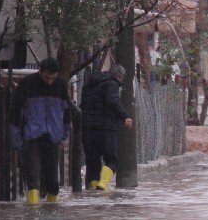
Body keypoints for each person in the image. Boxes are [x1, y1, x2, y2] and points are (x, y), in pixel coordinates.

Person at [10, 58, 72, 205]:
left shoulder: (61, 85)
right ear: (40, 72)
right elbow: (15, 113)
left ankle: (51, 208)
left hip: (53, 136)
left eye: (53, 78)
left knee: (52, 177)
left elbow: (66, 111)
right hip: (32, 136)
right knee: (32, 174)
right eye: (46, 78)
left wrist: (65, 135)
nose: (49, 81)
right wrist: (17, 140)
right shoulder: (27, 84)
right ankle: (32, 210)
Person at [80, 64, 133, 192]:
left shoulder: (89, 85)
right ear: (118, 76)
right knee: (112, 160)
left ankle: (92, 189)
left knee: (92, 161)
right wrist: (125, 116)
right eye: (121, 79)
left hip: (87, 128)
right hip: (105, 128)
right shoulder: (112, 84)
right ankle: (103, 186)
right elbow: (113, 101)